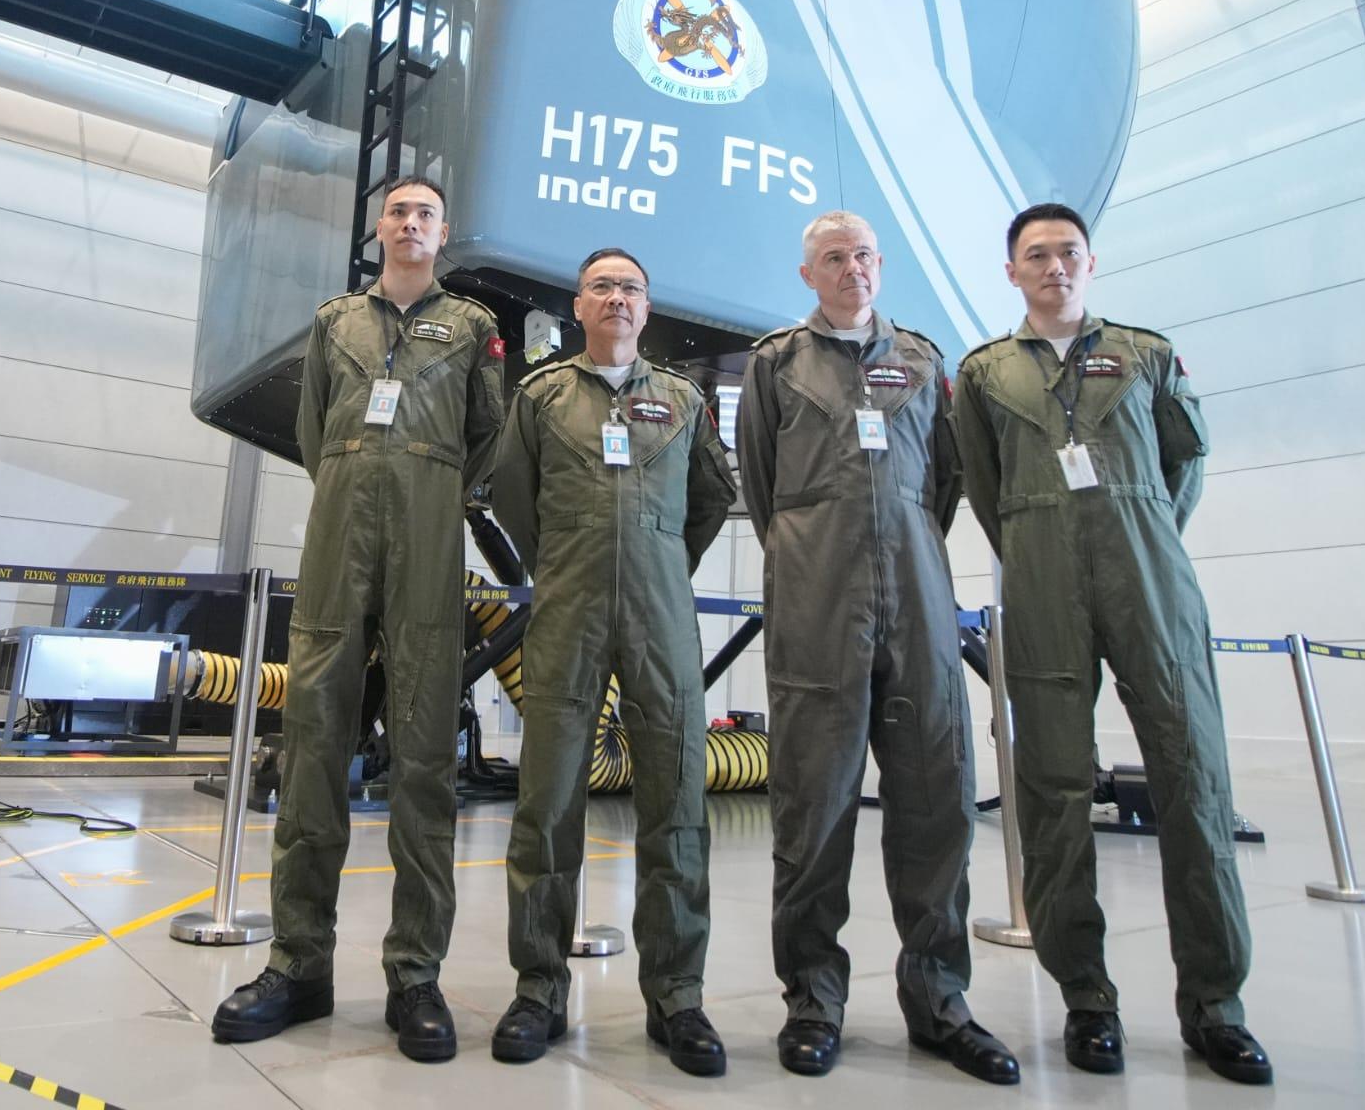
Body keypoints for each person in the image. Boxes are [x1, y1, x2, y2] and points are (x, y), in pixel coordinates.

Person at [950, 202, 1269, 1087]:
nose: (1054, 266)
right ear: (1012, 272)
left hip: (1150, 581)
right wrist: (1041, 543)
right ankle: (1087, 999)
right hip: (1041, 582)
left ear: (1090, 263)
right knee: (1053, 791)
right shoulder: (983, 374)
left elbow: (1183, 466)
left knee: (1193, 781)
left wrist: (1139, 529)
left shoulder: (1146, 355)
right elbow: (984, 486)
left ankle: (1215, 1005)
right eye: (1036, 255)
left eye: (1069, 252)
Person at [212, 176, 505, 1063]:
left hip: (428, 530)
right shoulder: (335, 320)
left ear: (444, 233)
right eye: (399, 212)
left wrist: (425, 479)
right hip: (340, 526)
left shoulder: (473, 327)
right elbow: (312, 432)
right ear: (380, 227)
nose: (411, 223)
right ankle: (299, 965)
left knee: (425, 759)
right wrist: (356, 476)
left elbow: (487, 436)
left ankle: (415, 975)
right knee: (312, 745)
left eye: (426, 215)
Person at [737, 210, 1019, 1084]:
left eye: (862, 254)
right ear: (808, 275)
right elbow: (761, 485)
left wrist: (896, 542)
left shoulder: (925, 363)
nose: (851, 267)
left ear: (879, 264)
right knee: (813, 806)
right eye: (834, 257)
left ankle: (939, 1001)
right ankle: (813, 1001)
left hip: (918, 599)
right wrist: (820, 545)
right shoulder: (775, 364)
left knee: (937, 800)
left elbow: (944, 482)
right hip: (816, 599)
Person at [487, 248, 737, 1076]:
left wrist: (660, 555)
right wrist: (569, 558)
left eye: (631, 287)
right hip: (568, 608)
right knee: (548, 796)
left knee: (677, 799)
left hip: (661, 612)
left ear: (647, 306)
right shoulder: (541, 397)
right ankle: (538, 988)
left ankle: (677, 995)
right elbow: (515, 497)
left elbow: (712, 497)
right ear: (579, 305)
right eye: (602, 287)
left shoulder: (684, 400)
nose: (617, 298)